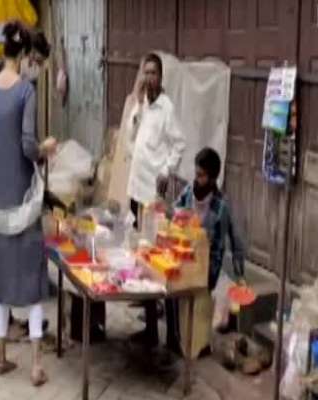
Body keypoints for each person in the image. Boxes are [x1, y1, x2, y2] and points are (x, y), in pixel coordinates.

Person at [0, 21, 57, 386]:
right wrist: (45, 149)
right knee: (33, 275)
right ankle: (37, 365)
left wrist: (0, 154)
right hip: (24, 195)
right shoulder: (25, 92)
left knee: (3, 273)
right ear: (24, 55)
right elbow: (28, 144)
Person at [125, 53, 186, 347]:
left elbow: (179, 144)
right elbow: (129, 140)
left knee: (158, 264)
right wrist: (137, 107)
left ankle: (171, 336)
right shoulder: (142, 104)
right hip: (136, 192)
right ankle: (150, 329)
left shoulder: (166, 108)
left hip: (153, 196)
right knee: (142, 260)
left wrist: (166, 170)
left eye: (153, 73)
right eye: (145, 72)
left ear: (161, 77)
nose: (148, 77)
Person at [162, 148, 246, 353]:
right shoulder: (190, 191)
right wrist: (169, 211)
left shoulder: (222, 205)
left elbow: (236, 239)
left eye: (201, 175)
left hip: (208, 263)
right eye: (196, 173)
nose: (197, 178)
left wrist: (240, 274)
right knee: (170, 288)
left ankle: (197, 343)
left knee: (194, 298)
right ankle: (175, 340)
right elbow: (174, 209)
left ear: (212, 177)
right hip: (185, 254)